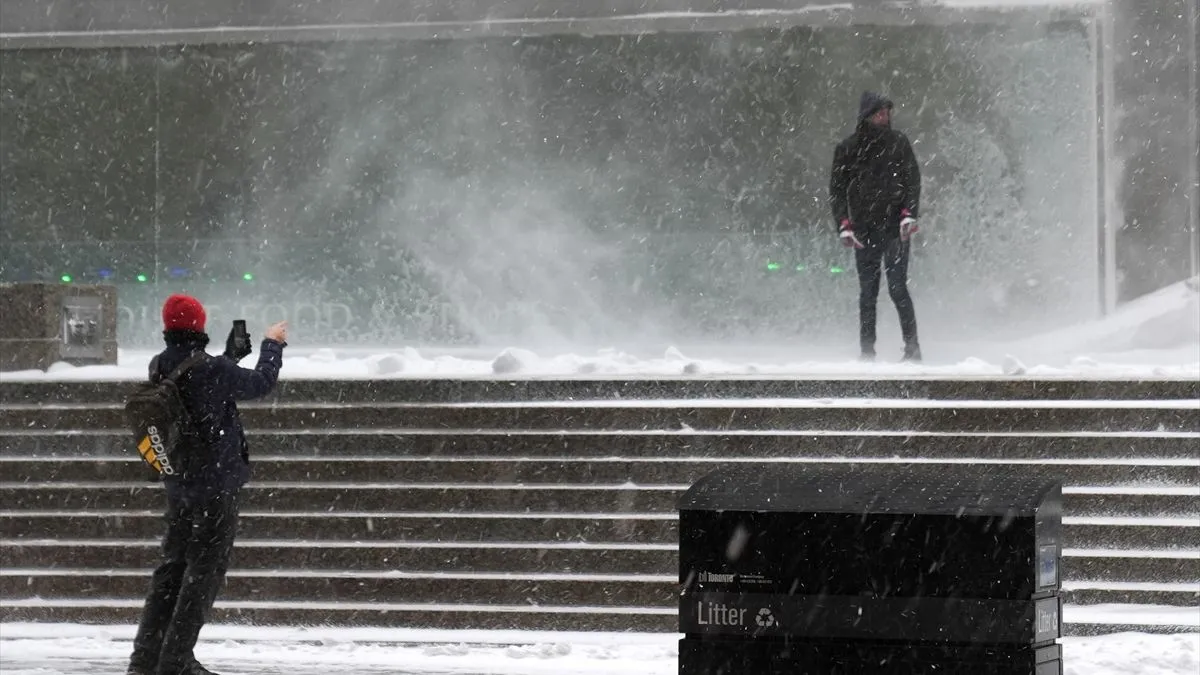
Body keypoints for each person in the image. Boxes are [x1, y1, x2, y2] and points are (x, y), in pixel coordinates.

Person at [127, 294, 287, 675]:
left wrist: (229, 358)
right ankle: (177, 660)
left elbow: (197, 392)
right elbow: (261, 383)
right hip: (215, 484)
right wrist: (272, 345)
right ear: (198, 325)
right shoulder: (211, 369)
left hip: (179, 481)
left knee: (172, 569)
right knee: (204, 572)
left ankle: (145, 659)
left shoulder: (161, 363)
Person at [829, 91, 923, 362]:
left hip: (895, 229)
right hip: (864, 230)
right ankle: (866, 352)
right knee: (868, 293)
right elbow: (837, 189)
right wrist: (843, 225)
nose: (885, 117)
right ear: (867, 116)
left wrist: (909, 214)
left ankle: (913, 349)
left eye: (887, 112)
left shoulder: (899, 143)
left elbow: (912, 181)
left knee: (897, 288)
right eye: (880, 113)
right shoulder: (849, 148)